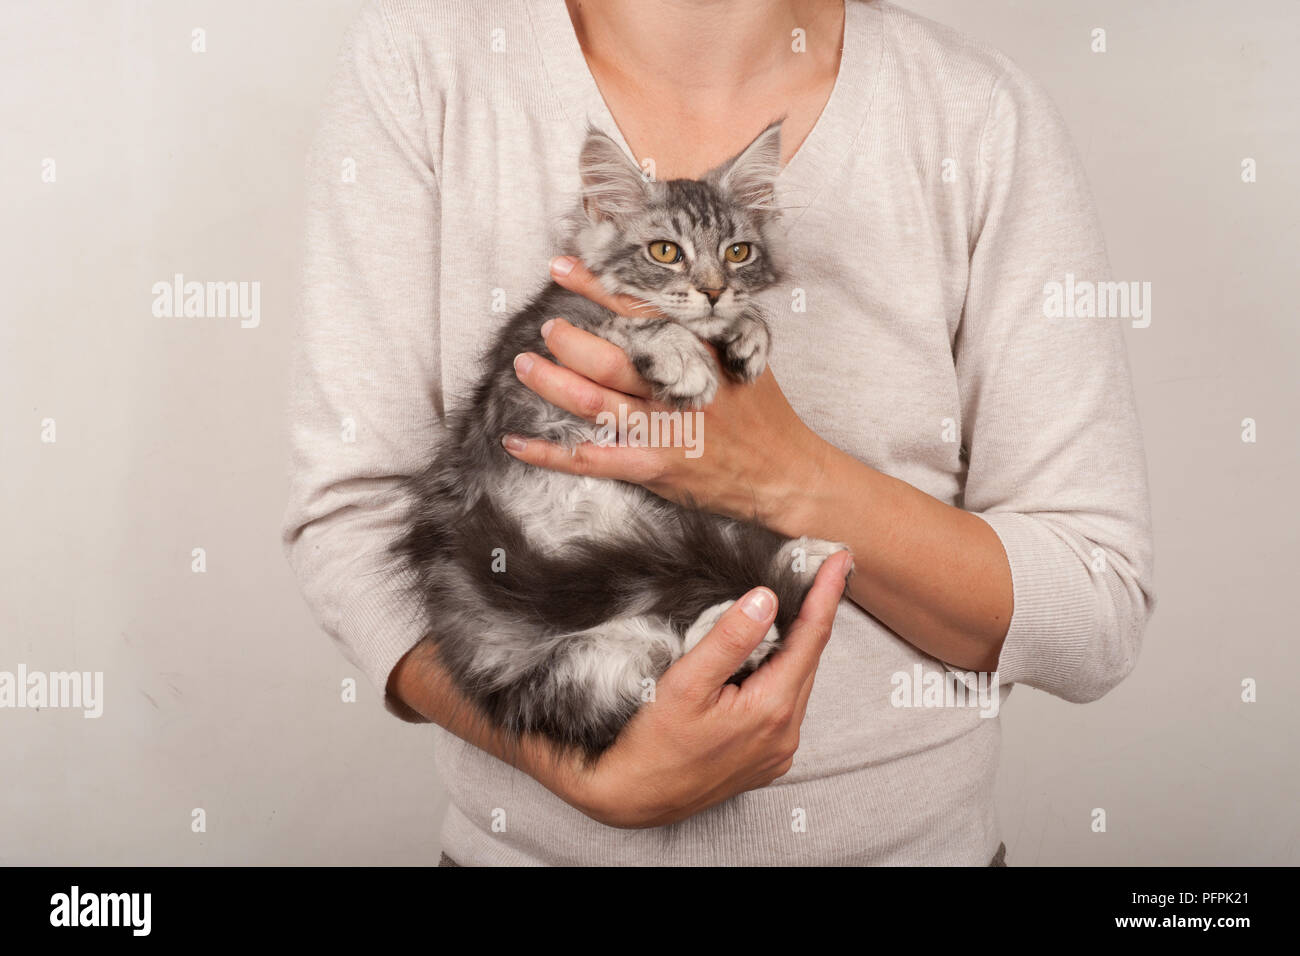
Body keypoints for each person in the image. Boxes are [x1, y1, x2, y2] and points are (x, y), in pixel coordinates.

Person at [281, 0, 1155, 866]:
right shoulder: (426, 60)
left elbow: (1093, 608)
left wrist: (786, 476)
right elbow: (351, 523)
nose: (703, 281)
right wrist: (584, 776)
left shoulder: (977, 114)